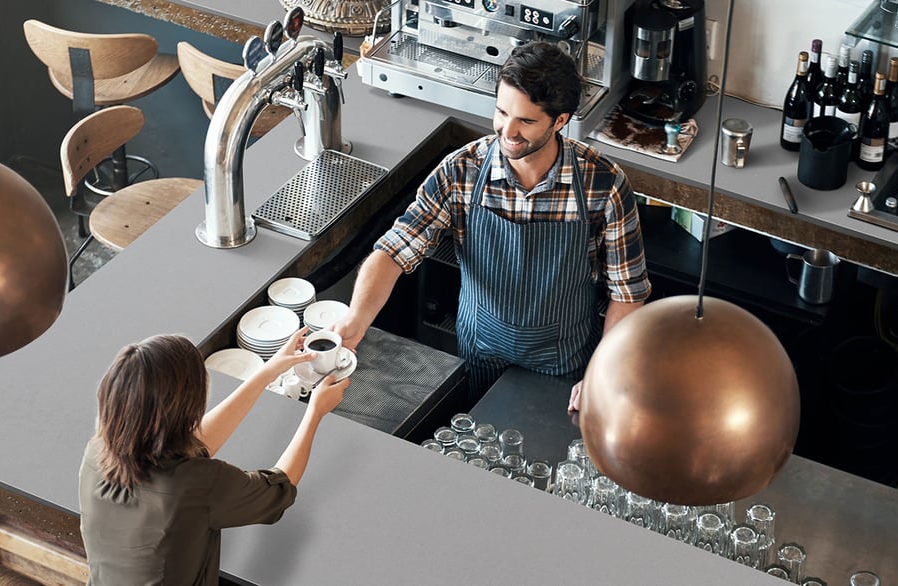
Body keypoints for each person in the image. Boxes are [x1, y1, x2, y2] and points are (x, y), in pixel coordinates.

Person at [332, 41, 650, 410]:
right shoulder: (461, 170)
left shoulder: (603, 184)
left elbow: (628, 294)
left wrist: (601, 373)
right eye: (501, 112)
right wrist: (357, 317)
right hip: (479, 349)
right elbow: (396, 249)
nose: (507, 131)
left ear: (560, 120)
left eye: (526, 121)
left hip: (565, 358)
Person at [78, 329, 348, 585]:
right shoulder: (195, 485)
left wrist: (268, 372)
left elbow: (193, 445)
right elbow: (280, 488)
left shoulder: (98, 450)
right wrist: (315, 412)